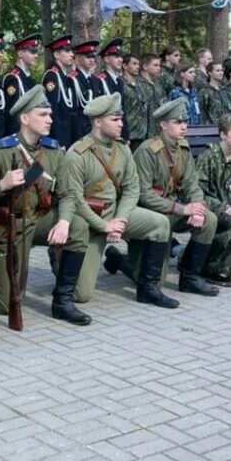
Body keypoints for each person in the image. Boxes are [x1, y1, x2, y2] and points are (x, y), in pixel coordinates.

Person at [0, 86, 91, 325]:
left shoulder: (53, 151)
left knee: (78, 226)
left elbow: (68, 193)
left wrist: (63, 221)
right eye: (43, 114)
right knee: (5, 304)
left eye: (50, 115)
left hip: (40, 219)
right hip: (10, 225)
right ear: (24, 118)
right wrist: (1, 185)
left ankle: (62, 301)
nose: (49, 120)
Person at [58, 93, 175, 307]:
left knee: (160, 224)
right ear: (97, 121)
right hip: (88, 221)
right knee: (80, 295)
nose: (121, 124)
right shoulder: (76, 154)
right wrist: (104, 226)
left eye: (121, 119)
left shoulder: (122, 149)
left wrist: (120, 221)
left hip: (114, 216)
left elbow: (132, 189)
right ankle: (58, 257)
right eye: (115, 119)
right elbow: (74, 200)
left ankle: (148, 289)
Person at [133, 99, 220, 297]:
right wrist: (182, 209)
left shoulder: (183, 149)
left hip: (170, 211)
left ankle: (190, 277)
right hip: (151, 214)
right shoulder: (147, 150)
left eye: (185, 122)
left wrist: (197, 208)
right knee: (149, 278)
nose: (184, 127)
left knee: (209, 219)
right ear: (163, 125)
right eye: (177, 122)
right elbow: (143, 195)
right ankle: (119, 260)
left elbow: (192, 184)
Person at [194, 114, 231, 287]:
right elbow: (200, 192)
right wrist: (225, 208)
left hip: (230, 207)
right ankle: (216, 271)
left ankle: (214, 264)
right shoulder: (209, 157)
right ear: (222, 135)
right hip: (210, 207)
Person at [43, 34, 76, 147]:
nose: (72, 54)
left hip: (66, 134)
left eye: (71, 51)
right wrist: (56, 142)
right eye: (67, 51)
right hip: (58, 138)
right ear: (56, 54)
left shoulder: (63, 75)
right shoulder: (52, 76)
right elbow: (52, 111)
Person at [3, 32, 41, 118]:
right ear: (20, 54)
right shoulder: (13, 78)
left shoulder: (27, 77)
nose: (36, 55)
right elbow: (12, 111)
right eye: (32, 52)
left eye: (36, 52)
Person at [69, 40, 101, 141]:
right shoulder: (72, 79)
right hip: (80, 130)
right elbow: (73, 111)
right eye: (88, 57)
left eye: (93, 57)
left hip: (96, 129)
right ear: (78, 59)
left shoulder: (96, 80)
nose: (91, 60)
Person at [97, 38, 128, 137]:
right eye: (116, 56)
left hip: (119, 130)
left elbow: (122, 109)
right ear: (106, 59)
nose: (120, 60)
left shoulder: (119, 81)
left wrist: (125, 134)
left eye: (121, 56)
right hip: (106, 131)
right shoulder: (100, 81)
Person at [198, 61, 231, 126]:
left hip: (227, 127)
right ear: (210, 73)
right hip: (211, 128)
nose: (221, 73)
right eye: (217, 71)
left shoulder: (225, 90)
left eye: (222, 70)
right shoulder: (204, 91)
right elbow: (202, 112)